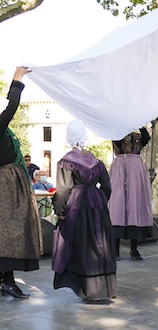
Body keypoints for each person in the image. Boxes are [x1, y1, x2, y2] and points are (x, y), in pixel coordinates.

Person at [52, 120, 116, 301]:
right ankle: (103, 288)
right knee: (99, 243)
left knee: (80, 244)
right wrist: (100, 201)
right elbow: (107, 186)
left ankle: (86, 287)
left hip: (77, 204)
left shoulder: (67, 161)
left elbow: (64, 189)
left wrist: (60, 210)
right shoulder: (96, 160)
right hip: (97, 204)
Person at [0, 67, 42, 299]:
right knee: (8, 234)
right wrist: (17, 79)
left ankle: (6, 281)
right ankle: (7, 282)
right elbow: (11, 107)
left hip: (9, 185)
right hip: (5, 187)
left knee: (7, 234)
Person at [108, 127, 153, 261]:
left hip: (136, 169)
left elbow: (146, 138)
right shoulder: (118, 133)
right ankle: (115, 250)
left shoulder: (138, 136)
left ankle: (134, 248)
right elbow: (115, 138)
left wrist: (140, 123)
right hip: (120, 168)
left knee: (135, 205)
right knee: (118, 206)